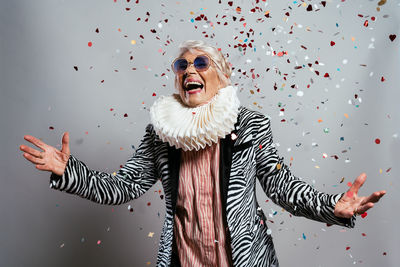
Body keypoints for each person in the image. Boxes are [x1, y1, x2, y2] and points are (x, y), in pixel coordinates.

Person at [20, 40, 386, 267]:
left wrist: (331, 207)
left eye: (200, 63)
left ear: (221, 77)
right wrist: (68, 170)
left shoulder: (251, 125)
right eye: (182, 65)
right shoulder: (161, 134)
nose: (189, 70)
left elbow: (282, 187)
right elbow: (123, 186)